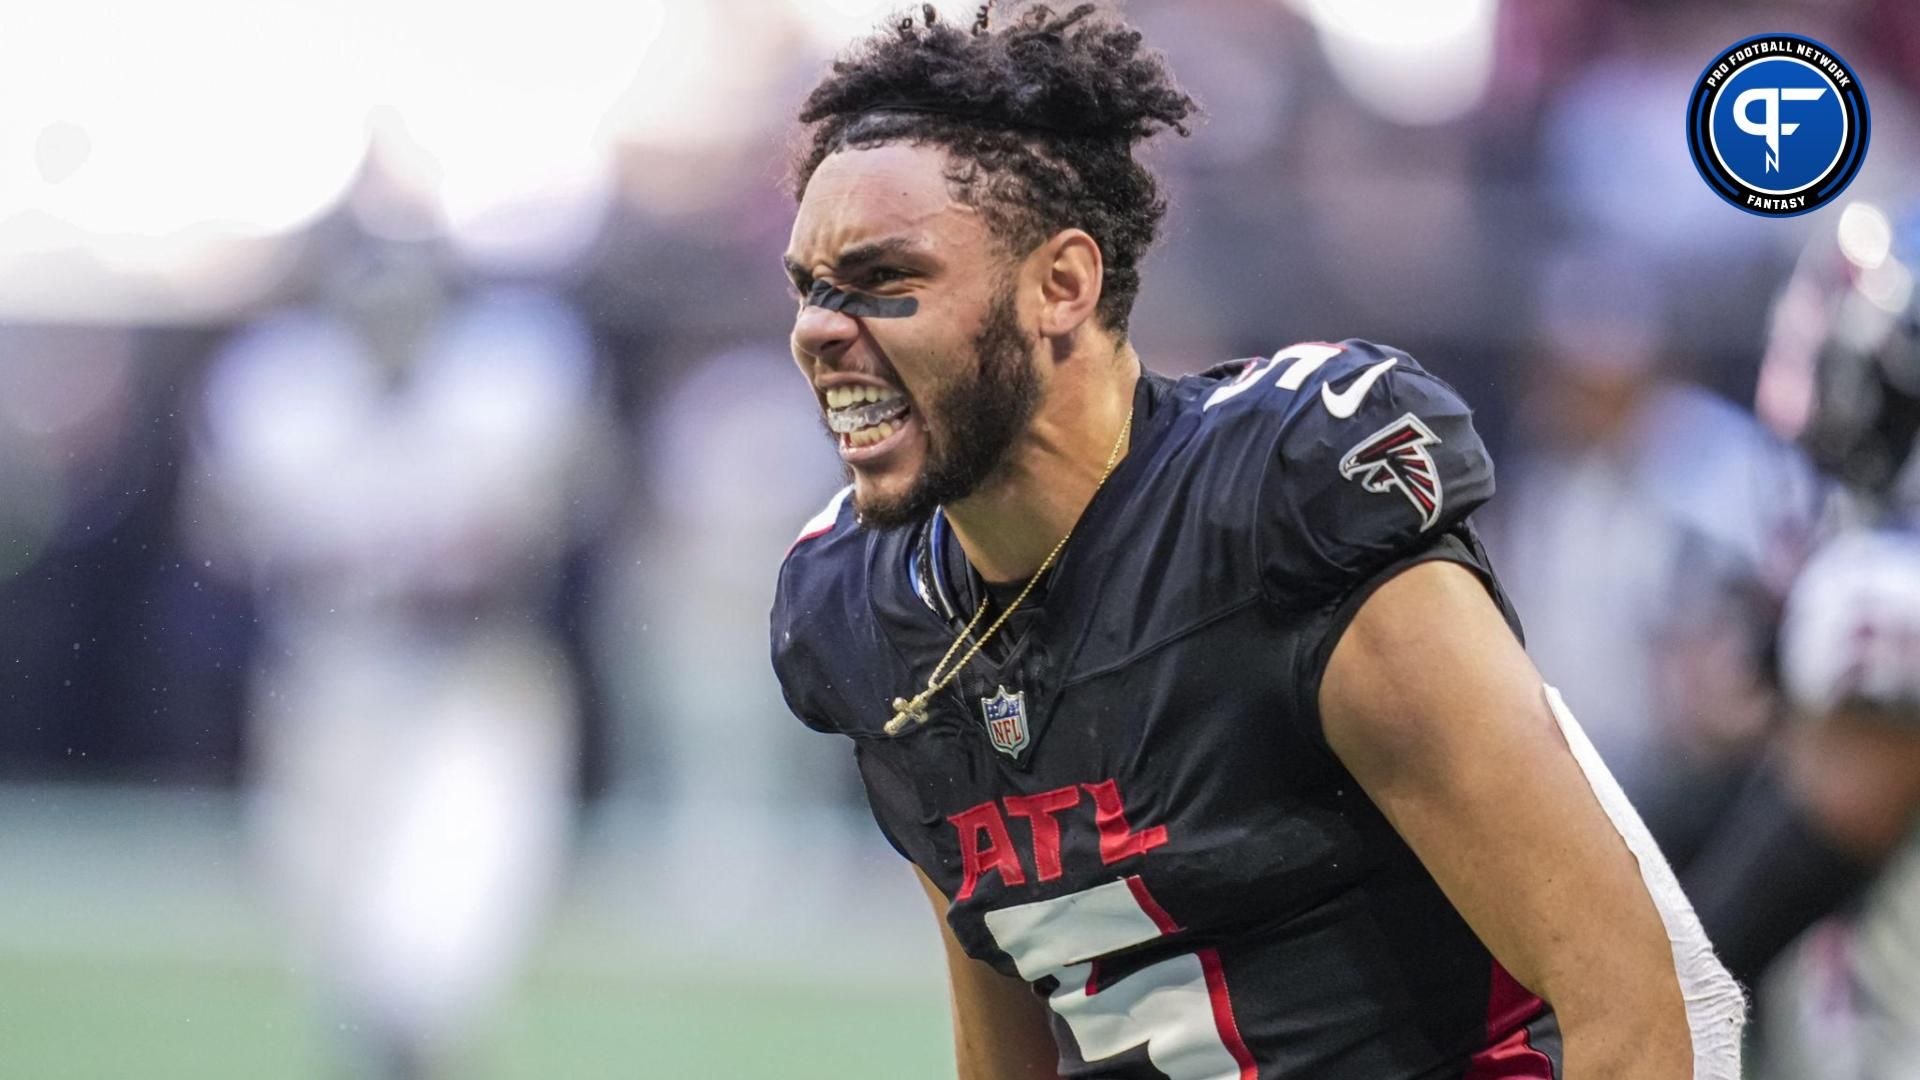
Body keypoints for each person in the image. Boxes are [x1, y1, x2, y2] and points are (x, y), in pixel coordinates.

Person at [768, 5, 1742, 1077]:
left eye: (883, 280)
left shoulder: (1281, 510)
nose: (819, 326)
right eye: (809, 285)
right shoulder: (866, 611)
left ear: (1062, 287)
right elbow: (1011, 1030)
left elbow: (1645, 1009)